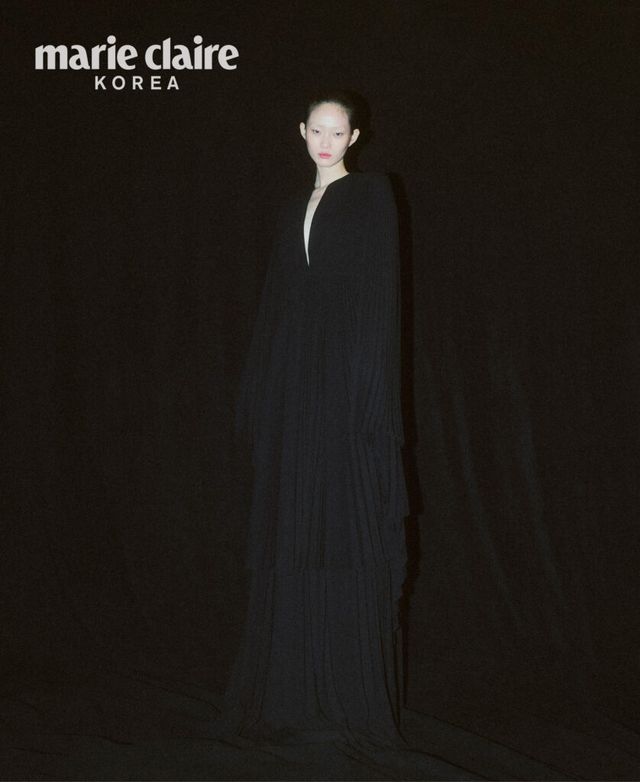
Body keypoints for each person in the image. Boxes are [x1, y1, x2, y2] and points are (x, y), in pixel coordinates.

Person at [215, 90, 410, 749]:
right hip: (294, 389)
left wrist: (369, 396)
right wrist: (259, 391)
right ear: (301, 132)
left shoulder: (372, 195)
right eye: (317, 131)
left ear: (355, 137)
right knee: (292, 521)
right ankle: (290, 687)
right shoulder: (290, 206)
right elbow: (276, 301)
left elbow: (378, 295)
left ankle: (347, 691)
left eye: (338, 132)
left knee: (343, 521)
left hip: (344, 389)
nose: (326, 142)